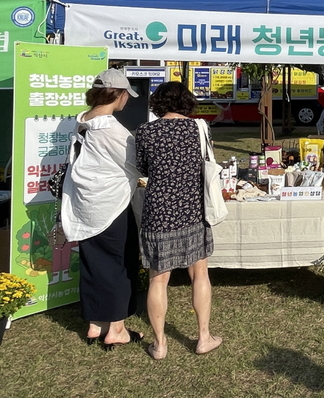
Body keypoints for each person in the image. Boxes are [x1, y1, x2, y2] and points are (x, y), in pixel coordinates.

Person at [136, 82, 222, 359]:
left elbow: (143, 167)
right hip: (192, 208)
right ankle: (203, 337)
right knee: (199, 274)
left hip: (158, 210)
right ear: (187, 101)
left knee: (158, 280)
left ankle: (160, 344)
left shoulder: (145, 131)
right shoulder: (198, 128)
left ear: (158, 103)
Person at [60, 69, 143, 348]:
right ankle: (116, 329)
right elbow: (135, 164)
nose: (126, 101)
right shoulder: (111, 128)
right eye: (125, 96)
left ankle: (95, 324)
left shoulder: (82, 120)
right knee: (120, 263)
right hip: (111, 204)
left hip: (85, 202)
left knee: (93, 261)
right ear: (118, 95)